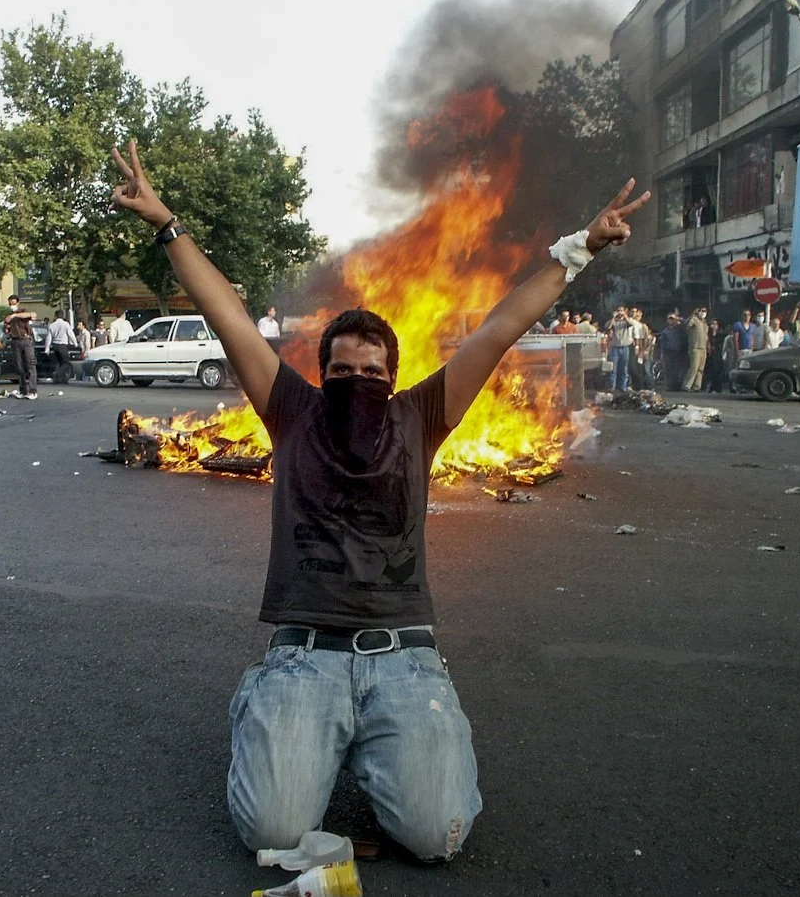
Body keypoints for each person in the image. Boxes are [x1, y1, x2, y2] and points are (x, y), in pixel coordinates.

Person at [110, 139, 648, 860]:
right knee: (271, 832)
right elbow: (228, 316)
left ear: (391, 377)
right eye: (340, 368)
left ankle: (374, 747)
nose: (354, 378)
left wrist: (580, 248)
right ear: (319, 371)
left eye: (369, 369)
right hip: (305, 654)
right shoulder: (291, 412)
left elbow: (498, 328)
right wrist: (165, 223)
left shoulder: (417, 418)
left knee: (437, 836)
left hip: (404, 658)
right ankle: (270, 712)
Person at [3, 294, 38, 399]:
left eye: (13, 303)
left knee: (30, 365)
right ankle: (23, 389)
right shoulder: (8, 315)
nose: (12, 306)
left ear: (18, 303)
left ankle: (32, 390)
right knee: (19, 366)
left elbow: (32, 315)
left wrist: (15, 315)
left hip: (26, 340)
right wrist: (6, 328)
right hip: (15, 341)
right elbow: (6, 329)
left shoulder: (23, 311)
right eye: (10, 304)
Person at [606, 305, 635, 391]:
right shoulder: (613, 321)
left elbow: (630, 324)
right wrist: (614, 317)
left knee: (624, 368)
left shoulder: (625, 322)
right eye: (618, 310)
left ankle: (623, 387)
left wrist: (625, 316)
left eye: (621, 310)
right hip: (615, 347)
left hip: (624, 347)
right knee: (613, 368)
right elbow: (608, 327)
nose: (619, 312)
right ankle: (612, 387)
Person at [45, 309, 78, 383]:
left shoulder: (52, 325)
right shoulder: (65, 324)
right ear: (62, 316)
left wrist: (47, 348)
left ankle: (62, 379)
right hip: (62, 345)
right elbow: (70, 334)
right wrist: (75, 343)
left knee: (60, 362)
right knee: (66, 363)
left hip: (55, 345)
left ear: (55, 316)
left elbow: (48, 337)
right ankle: (57, 374)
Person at [658, 312, 688, 391]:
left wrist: (679, 318)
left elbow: (685, 323)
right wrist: (661, 353)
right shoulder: (665, 331)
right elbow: (662, 343)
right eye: (669, 319)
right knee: (668, 370)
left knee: (677, 370)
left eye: (672, 319)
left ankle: (677, 386)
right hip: (668, 352)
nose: (671, 321)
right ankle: (670, 386)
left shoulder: (680, 329)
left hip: (678, 352)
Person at [683, 306, 708, 391]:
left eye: (704, 311)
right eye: (701, 311)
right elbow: (687, 324)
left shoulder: (704, 323)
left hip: (703, 348)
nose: (703, 312)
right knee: (694, 367)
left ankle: (697, 386)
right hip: (695, 347)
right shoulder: (695, 320)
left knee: (700, 369)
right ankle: (687, 385)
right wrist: (693, 315)